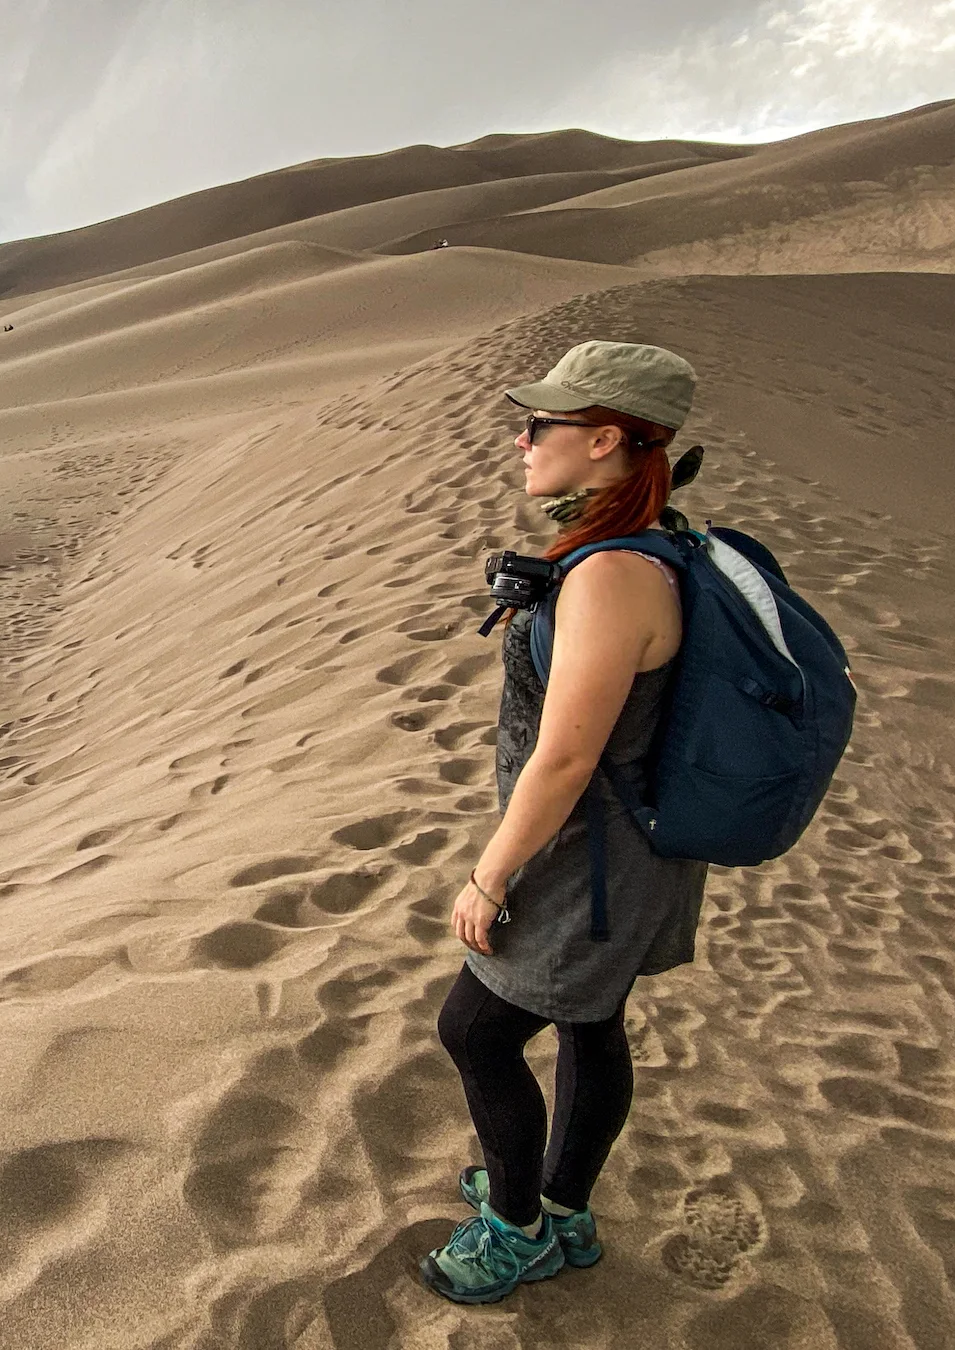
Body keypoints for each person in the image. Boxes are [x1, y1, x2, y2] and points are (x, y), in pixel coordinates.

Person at [417, 340, 712, 1304]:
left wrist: (490, 874)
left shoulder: (614, 574)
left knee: (476, 1032)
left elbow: (567, 755)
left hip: (590, 856)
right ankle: (566, 1206)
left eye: (541, 424)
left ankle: (519, 1228)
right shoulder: (655, 542)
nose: (522, 438)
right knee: (591, 1021)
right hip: (627, 847)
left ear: (605, 439)